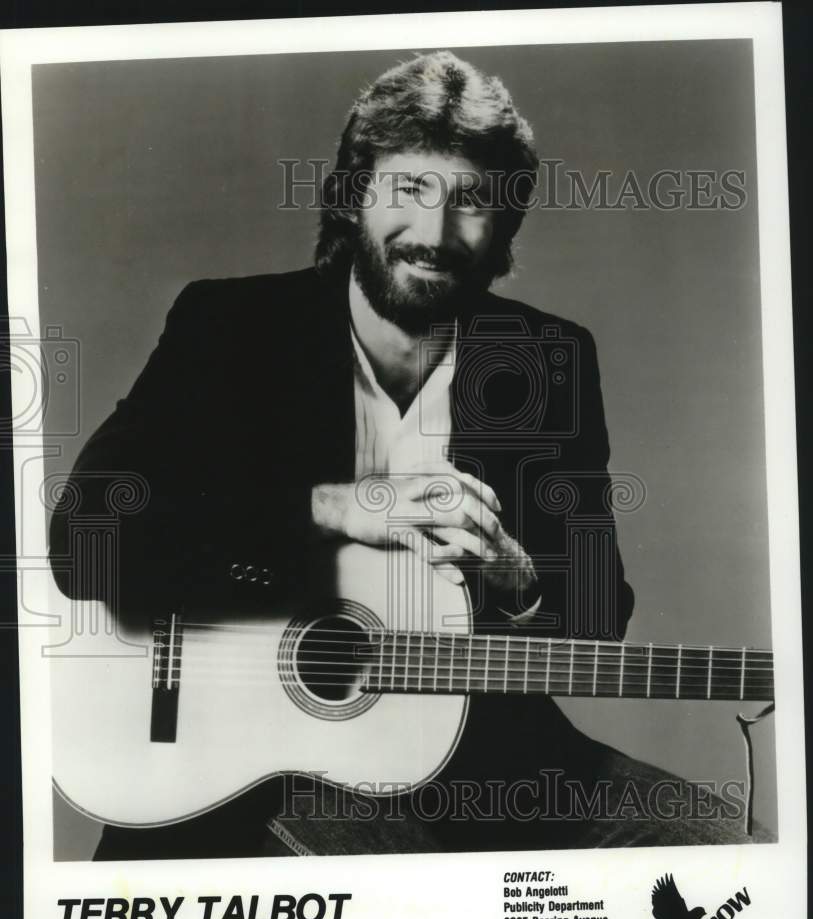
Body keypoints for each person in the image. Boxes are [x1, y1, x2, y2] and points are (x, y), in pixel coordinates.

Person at [50, 51, 765, 859]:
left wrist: (521, 582)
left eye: (469, 202)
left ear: (504, 225)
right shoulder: (232, 327)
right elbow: (87, 539)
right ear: (354, 196)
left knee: (730, 869)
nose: (432, 233)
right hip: (262, 765)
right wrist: (334, 506)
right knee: (413, 905)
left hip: (493, 761)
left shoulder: (543, 356)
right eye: (409, 189)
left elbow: (599, 618)